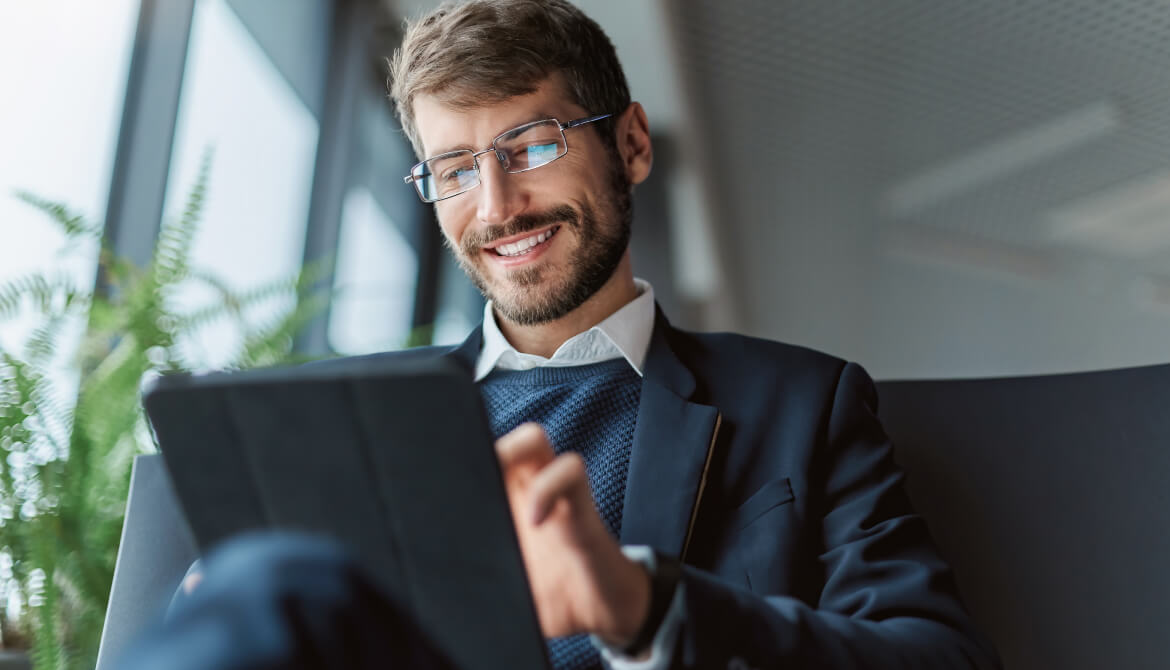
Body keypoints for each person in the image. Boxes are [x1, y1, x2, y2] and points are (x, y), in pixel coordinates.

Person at [123, 1, 1001, 668]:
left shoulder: (802, 406)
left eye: (532, 146)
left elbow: (935, 657)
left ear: (631, 146)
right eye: (455, 170)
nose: (497, 206)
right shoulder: (350, 420)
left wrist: (644, 604)